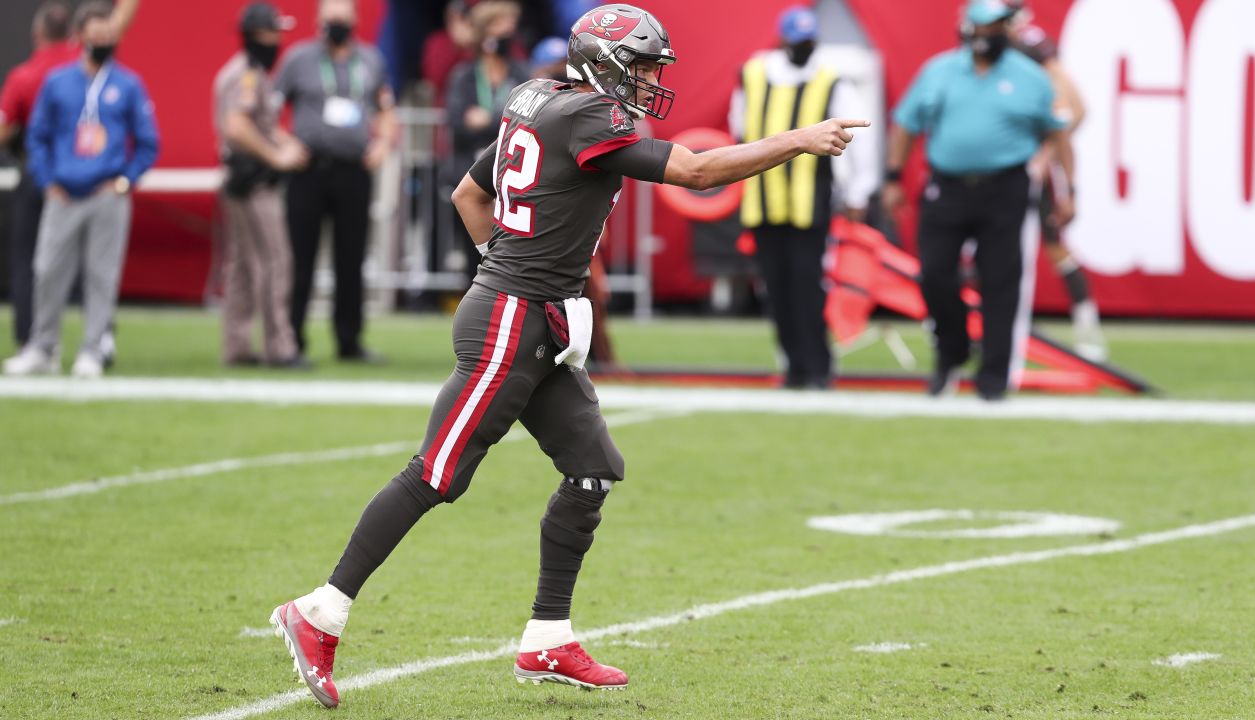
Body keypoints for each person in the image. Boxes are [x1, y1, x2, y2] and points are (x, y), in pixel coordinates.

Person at [268, 3, 867, 709]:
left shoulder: (542, 99)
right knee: (437, 472)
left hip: (537, 316)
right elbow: (699, 172)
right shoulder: (587, 116)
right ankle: (319, 612)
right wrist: (797, 139)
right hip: (511, 319)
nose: (650, 81)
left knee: (592, 470)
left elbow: (469, 193)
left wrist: (513, 265)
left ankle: (548, 634)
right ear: (605, 63)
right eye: (642, 66)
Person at [882, 0, 1073, 401]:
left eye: (998, 28)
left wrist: (1069, 189)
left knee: (1002, 282)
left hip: (1004, 188)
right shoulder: (939, 71)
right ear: (968, 29)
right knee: (934, 274)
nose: (990, 36)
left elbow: (1059, 132)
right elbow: (905, 124)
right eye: (985, 28)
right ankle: (952, 349)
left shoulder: (1031, 78)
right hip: (947, 186)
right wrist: (893, 176)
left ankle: (993, 379)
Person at [3, 0, 158, 379]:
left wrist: (125, 180)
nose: (103, 42)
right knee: (47, 270)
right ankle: (43, 346)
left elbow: (149, 141)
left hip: (107, 192)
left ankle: (93, 347)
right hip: (64, 192)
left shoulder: (127, 83)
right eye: (95, 36)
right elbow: (36, 136)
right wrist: (47, 180)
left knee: (101, 275)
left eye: (108, 36)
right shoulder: (58, 82)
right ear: (79, 38)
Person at [728, 5, 879, 389]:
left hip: (809, 201)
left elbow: (856, 140)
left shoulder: (831, 81)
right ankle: (793, 365)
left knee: (808, 285)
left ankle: (818, 366)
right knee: (775, 288)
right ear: (783, 40)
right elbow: (740, 128)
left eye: (809, 41)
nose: (803, 48)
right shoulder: (754, 73)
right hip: (762, 199)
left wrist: (857, 189)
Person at [275, 0, 398, 363]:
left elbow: (386, 110)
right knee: (300, 257)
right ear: (318, 22)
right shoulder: (299, 59)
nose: (337, 25)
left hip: (353, 170)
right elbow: (270, 108)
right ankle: (291, 338)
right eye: (331, 20)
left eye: (343, 19)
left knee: (351, 256)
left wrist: (383, 144)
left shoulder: (371, 60)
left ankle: (349, 340)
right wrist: (285, 143)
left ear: (355, 21)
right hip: (308, 169)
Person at [1006, 0, 1106, 361]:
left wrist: (1044, 152)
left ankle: (1087, 327)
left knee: (1051, 244)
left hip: (1022, 167)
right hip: (992, 166)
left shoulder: (1030, 46)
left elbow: (1073, 108)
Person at [213, 2, 311, 369]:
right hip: (252, 180)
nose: (277, 40)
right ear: (256, 35)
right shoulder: (246, 76)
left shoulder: (250, 72)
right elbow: (237, 125)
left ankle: (237, 346)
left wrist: (284, 140)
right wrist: (276, 156)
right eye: (272, 32)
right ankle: (279, 346)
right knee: (275, 259)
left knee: (241, 264)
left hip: (241, 178)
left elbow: (259, 123)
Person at [446, 0, 529, 283]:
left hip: (512, 177)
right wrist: (501, 118)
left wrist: (488, 118)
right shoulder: (464, 75)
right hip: (471, 174)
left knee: (510, 252)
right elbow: (457, 123)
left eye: (511, 27)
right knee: (474, 254)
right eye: (500, 26)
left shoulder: (521, 73)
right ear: (484, 33)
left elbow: (526, 119)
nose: (508, 33)